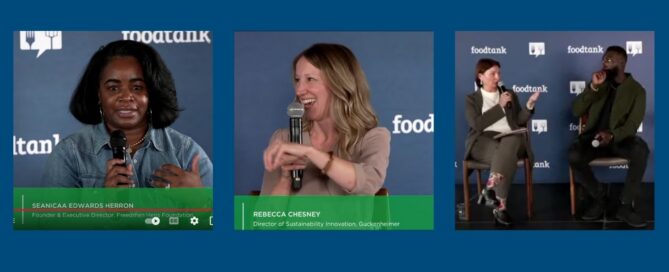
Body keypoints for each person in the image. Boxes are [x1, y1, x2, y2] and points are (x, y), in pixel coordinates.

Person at [42, 40, 213, 188]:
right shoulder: (69, 154)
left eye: (137, 87)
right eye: (113, 88)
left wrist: (201, 201)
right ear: (98, 94)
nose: (125, 97)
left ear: (152, 92)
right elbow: (52, 223)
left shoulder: (184, 151)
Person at [261, 43, 390, 195]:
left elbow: (368, 183)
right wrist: (285, 178)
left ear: (339, 84)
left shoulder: (372, 138)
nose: (299, 90)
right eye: (297, 80)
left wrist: (310, 152)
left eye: (310, 79)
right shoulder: (285, 139)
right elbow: (266, 218)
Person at [568, 45, 649, 228]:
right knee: (574, 155)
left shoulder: (637, 91)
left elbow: (632, 125)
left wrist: (612, 135)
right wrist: (593, 88)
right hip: (592, 139)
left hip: (619, 139)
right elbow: (576, 110)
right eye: (603, 59)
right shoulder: (599, 84)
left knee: (640, 150)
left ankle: (625, 206)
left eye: (609, 59)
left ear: (622, 63)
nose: (604, 62)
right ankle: (600, 198)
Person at [464, 58, 540, 225]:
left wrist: (529, 106)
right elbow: (477, 124)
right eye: (492, 74)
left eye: (499, 73)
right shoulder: (471, 99)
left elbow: (519, 119)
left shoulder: (509, 94)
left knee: (512, 138)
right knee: (506, 157)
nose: (497, 77)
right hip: (483, 142)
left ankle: (491, 192)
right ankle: (499, 205)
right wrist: (499, 107)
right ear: (481, 76)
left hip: (510, 139)